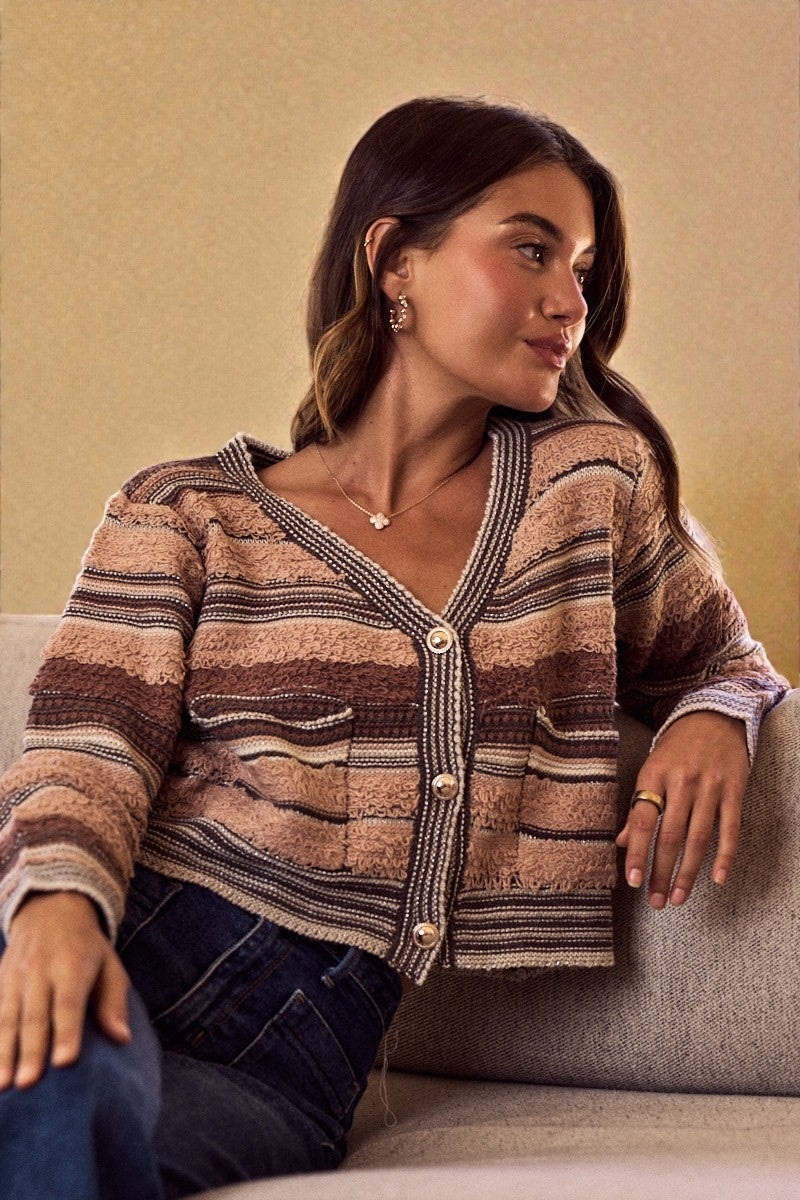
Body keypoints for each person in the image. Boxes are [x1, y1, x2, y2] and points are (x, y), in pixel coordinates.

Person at [0, 94, 790, 1199]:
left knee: (69, 1147)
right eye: (529, 250)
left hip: (296, 1061)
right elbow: (89, 744)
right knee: (58, 1096)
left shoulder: (586, 488)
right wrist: (50, 915)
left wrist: (716, 713)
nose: (570, 299)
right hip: (111, 943)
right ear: (393, 261)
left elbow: (722, 659)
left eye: (581, 268)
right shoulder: (183, 512)